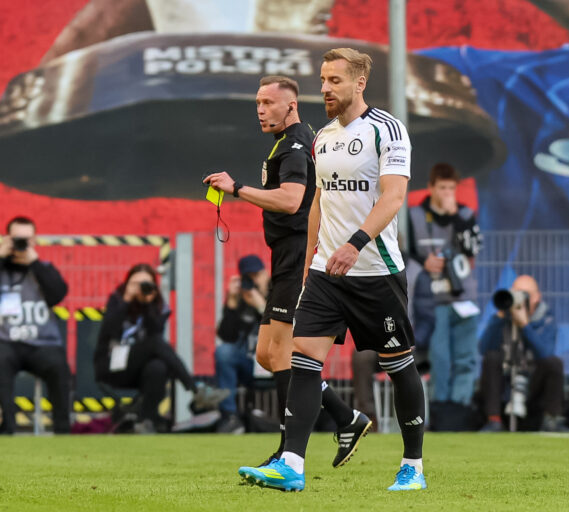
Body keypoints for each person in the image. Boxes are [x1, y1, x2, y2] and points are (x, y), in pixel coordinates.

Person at [238, 48, 426, 492]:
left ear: (359, 83)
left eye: (335, 80)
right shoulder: (322, 137)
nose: (325, 88)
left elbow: (393, 198)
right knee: (302, 358)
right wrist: (311, 265)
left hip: (376, 271)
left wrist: (355, 244)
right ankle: (291, 464)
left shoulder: (388, 130)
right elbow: (319, 203)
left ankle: (413, 466)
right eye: (323, 80)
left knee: (397, 365)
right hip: (327, 273)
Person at [205, 75, 369, 465]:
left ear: (290, 105)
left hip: (298, 256)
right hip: (285, 259)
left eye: (268, 103)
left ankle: (287, 453)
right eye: (258, 103)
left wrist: (237, 188)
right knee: (267, 354)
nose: (261, 110)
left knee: (285, 357)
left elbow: (293, 200)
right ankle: (346, 418)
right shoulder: (289, 142)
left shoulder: (294, 146)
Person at [94, 263, 229, 432]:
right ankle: (195, 388)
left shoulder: (155, 305)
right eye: (136, 283)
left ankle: (146, 421)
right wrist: (127, 299)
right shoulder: (117, 299)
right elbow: (108, 331)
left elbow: (155, 331)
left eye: (146, 284)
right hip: (111, 364)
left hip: (139, 368)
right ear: (128, 283)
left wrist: (148, 304)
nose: (140, 288)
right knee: (156, 343)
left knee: (158, 367)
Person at [0, 216, 71, 434]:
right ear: (7, 238)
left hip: (41, 344)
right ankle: (6, 427)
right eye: (17, 239)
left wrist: (33, 261)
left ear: (35, 240)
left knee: (59, 364)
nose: (21, 244)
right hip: (5, 342)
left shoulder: (44, 269)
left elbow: (57, 294)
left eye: (26, 239)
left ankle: (63, 429)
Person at [408, 163, 481, 407]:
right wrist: (423, 261)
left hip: (463, 297)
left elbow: (473, 248)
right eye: (442, 187)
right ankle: (440, 410)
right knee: (440, 358)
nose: (447, 193)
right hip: (432, 298)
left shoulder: (466, 215)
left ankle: (460, 409)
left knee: (466, 358)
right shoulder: (414, 215)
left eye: (452, 188)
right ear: (431, 187)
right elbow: (403, 250)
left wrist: (455, 218)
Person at [478, 275, 569, 432]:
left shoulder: (545, 317)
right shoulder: (503, 318)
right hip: (506, 382)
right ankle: (494, 420)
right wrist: (500, 316)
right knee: (492, 357)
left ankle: (552, 420)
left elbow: (545, 352)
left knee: (554, 362)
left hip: (533, 382)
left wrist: (525, 325)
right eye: (516, 293)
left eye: (526, 294)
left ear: (537, 297)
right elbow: (484, 348)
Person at [214, 255, 270, 433]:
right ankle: (230, 416)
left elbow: (286, 331)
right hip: (247, 362)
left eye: (256, 275)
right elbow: (226, 336)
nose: (252, 281)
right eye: (248, 277)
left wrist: (262, 306)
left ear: (265, 274)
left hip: (273, 362)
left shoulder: (278, 292)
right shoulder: (238, 300)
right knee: (223, 352)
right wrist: (231, 304)